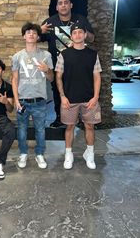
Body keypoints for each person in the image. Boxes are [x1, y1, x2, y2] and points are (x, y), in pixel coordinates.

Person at [40, 0, 95, 128]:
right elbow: (34, 38)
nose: (63, 5)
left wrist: (83, 33)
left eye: (66, 3)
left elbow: (92, 38)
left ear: (71, 5)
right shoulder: (50, 22)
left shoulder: (80, 20)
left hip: (79, 63)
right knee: (58, 91)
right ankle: (59, 118)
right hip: (57, 64)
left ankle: (82, 118)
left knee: (81, 88)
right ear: (57, 7)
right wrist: (40, 30)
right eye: (60, 3)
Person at [55, 21, 101, 170]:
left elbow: (97, 77)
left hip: (89, 100)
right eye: (74, 33)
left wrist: (95, 97)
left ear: (85, 35)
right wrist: (62, 96)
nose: (78, 35)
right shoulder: (64, 54)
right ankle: (69, 155)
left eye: (80, 32)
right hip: (69, 99)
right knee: (69, 127)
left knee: (90, 127)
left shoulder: (93, 54)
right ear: (71, 36)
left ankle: (90, 154)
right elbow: (58, 77)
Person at [12, 22, 54, 169]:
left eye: (34, 33)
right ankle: (23, 153)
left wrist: (47, 69)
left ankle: (40, 154)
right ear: (24, 36)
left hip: (40, 100)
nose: (31, 34)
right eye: (28, 32)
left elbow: (51, 78)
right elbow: (15, 79)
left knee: (40, 129)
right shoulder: (17, 57)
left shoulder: (46, 55)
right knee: (22, 130)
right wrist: (16, 100)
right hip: (22, 101)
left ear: (38, 36)